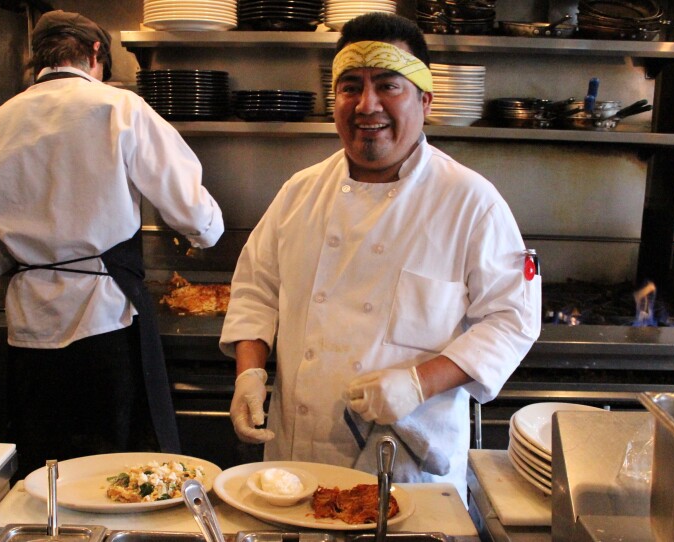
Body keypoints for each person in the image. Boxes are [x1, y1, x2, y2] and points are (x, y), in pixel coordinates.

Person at [219, 12, 540, 499]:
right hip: (297, 462)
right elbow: (255, 289)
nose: (367, 105)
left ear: (425, 100)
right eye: (350, 87)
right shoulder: (299, 193)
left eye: (388, 86)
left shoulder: (470, 201)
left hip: (405, 470)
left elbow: (512, 319)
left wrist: (419, 382)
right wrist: (249, 372)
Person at [0, 10, 224, 477]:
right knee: (114, 465)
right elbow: (193, 211)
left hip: (29, 323)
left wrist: (12, 276)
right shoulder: (119, 108)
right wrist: (204, 236)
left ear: (40, 58)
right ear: (97, 53)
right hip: (105, 318)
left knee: (46, 464)